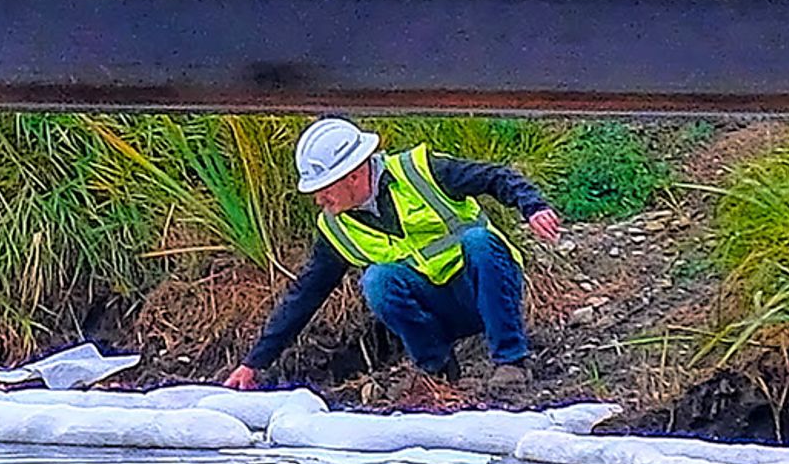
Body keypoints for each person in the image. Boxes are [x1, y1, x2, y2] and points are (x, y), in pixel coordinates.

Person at [224, 119, 567, 390]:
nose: (319, 200)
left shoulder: (421, 170)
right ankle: (438, 371)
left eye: (323, 189)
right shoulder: (335, 228)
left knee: (479, 241)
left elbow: (495, 176)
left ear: (354, 176)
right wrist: (255, 362)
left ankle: (511, 364)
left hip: (487, 292)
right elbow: (304, 296)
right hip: (437, 310)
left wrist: (532, 207)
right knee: (378, 279)